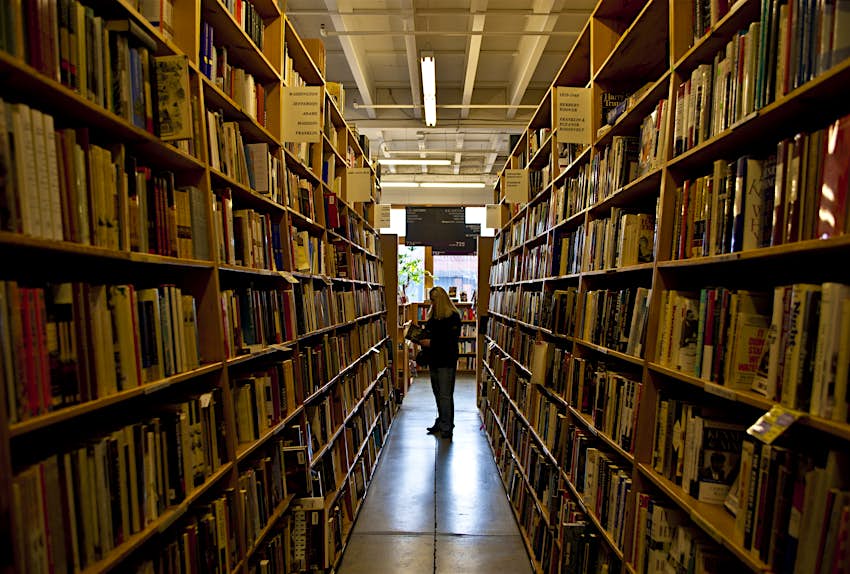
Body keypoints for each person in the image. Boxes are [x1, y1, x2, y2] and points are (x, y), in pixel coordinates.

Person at [418, 286, 461, 439]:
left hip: (446, 361)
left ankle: (447, 426)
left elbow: (450, 341)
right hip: (434, 360)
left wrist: (430, 343)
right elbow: (429, 333)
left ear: (440, 300)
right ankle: (442, 421)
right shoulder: (433, 317)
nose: (432, 303)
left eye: (434, 300)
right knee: (438, 393)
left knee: (445, 395)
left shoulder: (453, 317)